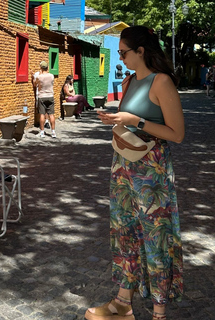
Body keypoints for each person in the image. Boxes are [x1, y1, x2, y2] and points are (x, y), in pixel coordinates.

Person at [87, 26, 184, 320]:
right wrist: (116, 120)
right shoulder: (129, 81)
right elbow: (128, 121)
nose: (121, 58)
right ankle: (122, 304)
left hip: (152, 171)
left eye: (124, 52)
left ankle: (159, 312)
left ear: (141, 51)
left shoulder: (161, 82)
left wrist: (136, 121)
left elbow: (177, 134)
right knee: (123, 232)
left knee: (156, 236)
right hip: (123, 165)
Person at [34, 61, 56, 138]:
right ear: (47, 67)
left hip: (42, 96)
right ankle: (53, 132)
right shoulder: (51, 76)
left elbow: (35, 84)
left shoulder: (39, 77)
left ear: (41, 68)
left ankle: (42, 132)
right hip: (50, 96)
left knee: (42, 114)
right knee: (51, 114)